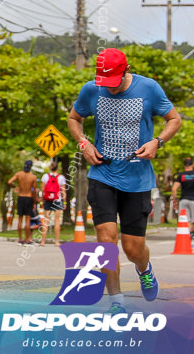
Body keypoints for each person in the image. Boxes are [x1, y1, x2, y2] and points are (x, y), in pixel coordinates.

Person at [67, 47, 182, 313]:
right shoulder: (91, 90)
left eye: (114, 81)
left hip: (137, 179)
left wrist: (157, 141)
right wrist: (83, 143)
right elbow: (75, 118)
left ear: (126, 70)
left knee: (133, 249)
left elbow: (174, 119)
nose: (110, 88)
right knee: (106, 242)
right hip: (102, 175)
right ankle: (116, 302)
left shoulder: (149, 88)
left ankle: (144, 270)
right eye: (104, 82)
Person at [7, 160, 39, 245]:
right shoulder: (33, 177)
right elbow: (34, 190)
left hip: (21, 197)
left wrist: (15, 187)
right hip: (29, 198)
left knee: (20, 219)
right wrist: (35, 201)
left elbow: (9, 182)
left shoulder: (18, 174)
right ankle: (27, 239)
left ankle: (20, 239)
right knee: (28, 220)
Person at [40, 161, 67, 246]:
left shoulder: (45, 176)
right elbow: (63, 191)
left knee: (46, 221)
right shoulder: (61, 177)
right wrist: (65, 202)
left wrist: (42, 201)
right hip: (57, 200)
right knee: (57, 221)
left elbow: (43, 190)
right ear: (57, 168)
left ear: (50, 168)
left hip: (48, 199)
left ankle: (43, 241)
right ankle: (56, 242)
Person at [172, 157, 194, 235]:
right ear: (192, 165)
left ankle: (188, 234)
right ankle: (192, 233)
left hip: (183, 200)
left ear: (184, 165)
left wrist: (174, 201)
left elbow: (174, 189)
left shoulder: (181, 175)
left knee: (185, 219)